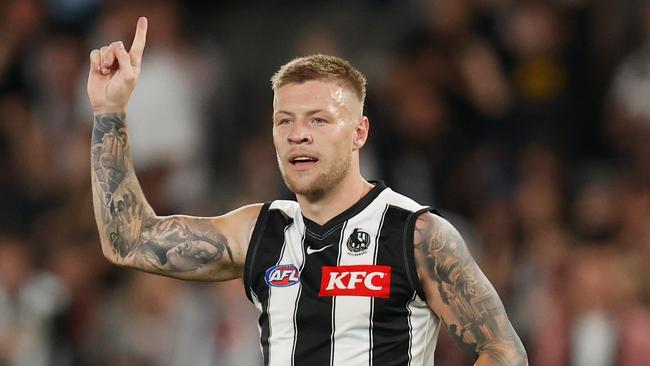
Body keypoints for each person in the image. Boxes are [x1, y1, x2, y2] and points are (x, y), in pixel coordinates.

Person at [87, 17, 527, 366]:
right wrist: (110, 111)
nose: (298, 134)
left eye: (318, 119)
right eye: (285, 121)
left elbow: (503, 351)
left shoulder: (417, 235)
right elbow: (129, 240)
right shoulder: (259, 231)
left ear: (359, 132)